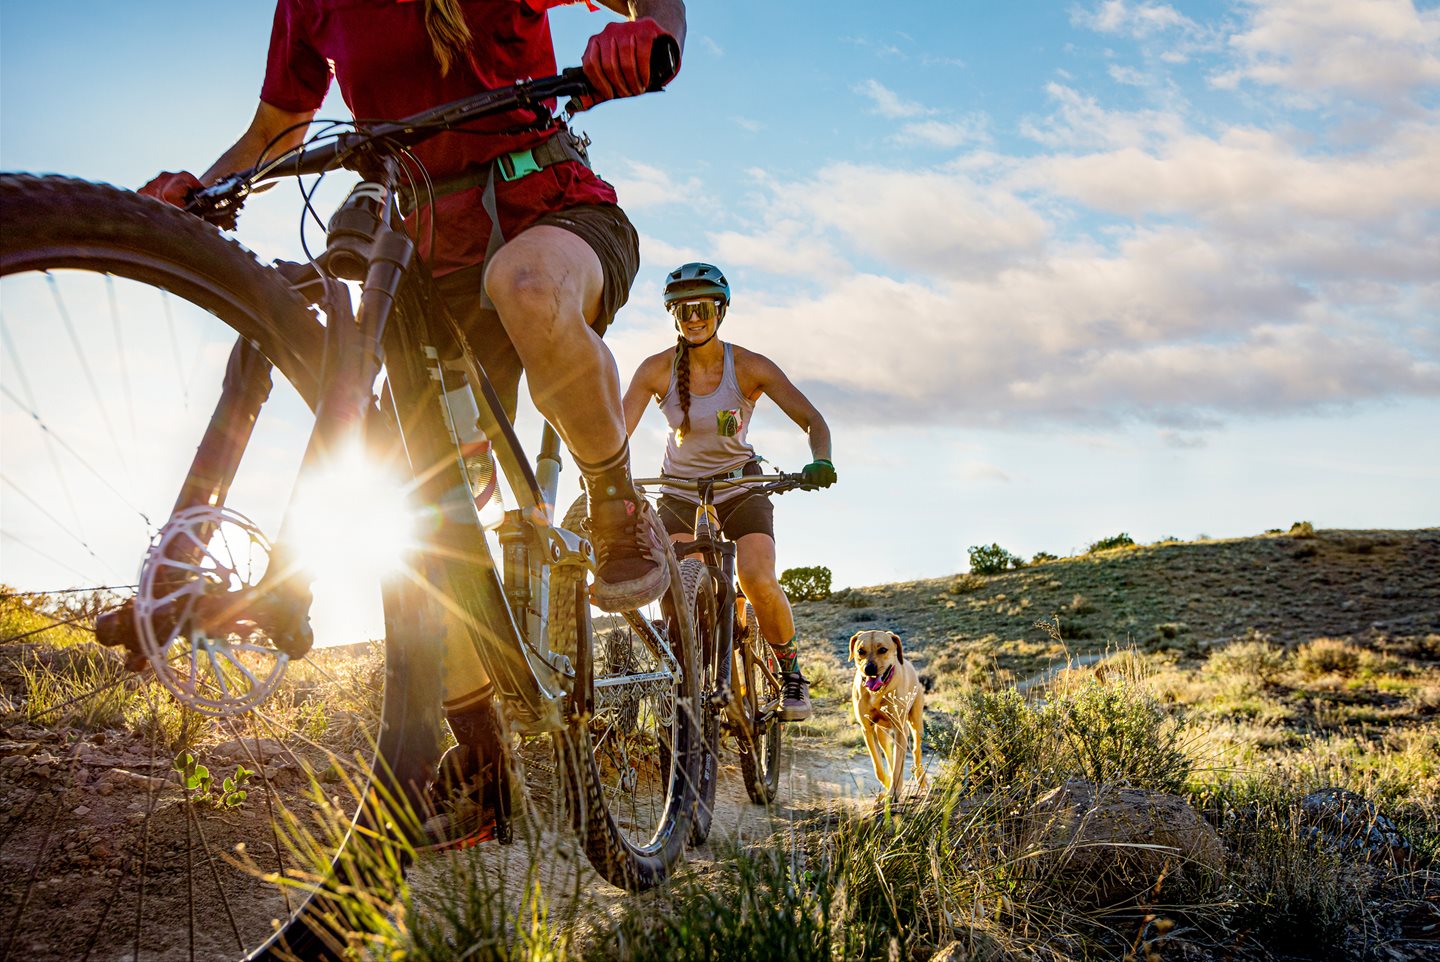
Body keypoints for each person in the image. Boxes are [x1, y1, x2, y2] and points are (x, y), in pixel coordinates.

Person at [140, 0, 687, 847]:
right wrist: (201, 194)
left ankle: (617, 502)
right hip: (426, 271)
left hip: (551, 214)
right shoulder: (309, 5)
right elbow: (276, 129)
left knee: (528, 288)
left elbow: (656, 2)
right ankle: (481, 768)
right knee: (428, 522)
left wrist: (648, 35)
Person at [622, 263, 836, 721]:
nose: (692, 318)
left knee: (757, 577)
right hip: (679, 492)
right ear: (672, 315)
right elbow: (616, 433)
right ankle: (693, 684)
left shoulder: (750, 366)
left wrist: (821, 460)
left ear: (720, 310)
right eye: (682, 310)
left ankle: (791, 672)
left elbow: (813, 420)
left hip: (741, 487)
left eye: (701, 308)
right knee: (682, 585)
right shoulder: (656, 370)